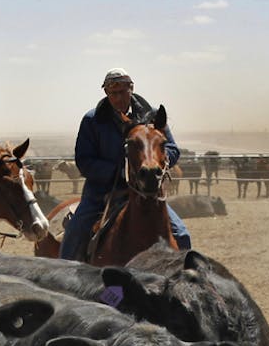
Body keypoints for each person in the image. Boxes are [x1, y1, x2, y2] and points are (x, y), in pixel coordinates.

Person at [60, 68, 191, 262]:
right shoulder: (92, 120)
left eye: (123, 92)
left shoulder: (153, 115)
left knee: (181, 235)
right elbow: (84, 160)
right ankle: (67, 280)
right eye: (113, 93)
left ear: (131, 89)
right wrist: (119, 172)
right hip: (103, 192)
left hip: (147, 191)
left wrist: (156, 165)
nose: (119, 98)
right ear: (106, 93)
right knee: (75, 232)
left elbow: (171, 148)